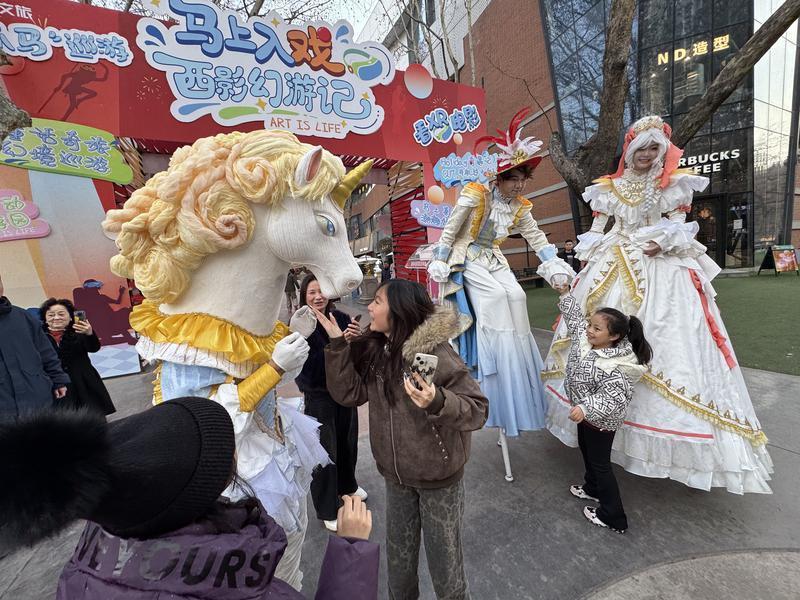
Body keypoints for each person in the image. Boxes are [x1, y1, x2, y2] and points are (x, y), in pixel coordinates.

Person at [543, 115, 774, 494]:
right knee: (591, 333)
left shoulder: (673, 184)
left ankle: (648, 437)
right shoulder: (609, 187)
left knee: (671, 340)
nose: (648, 155)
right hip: (612, 261)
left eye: (655, 149)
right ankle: (594, 414)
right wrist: (589, 254)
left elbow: (682, 226)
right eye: (642, 148)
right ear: (630, 149)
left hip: (657, 266)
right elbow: (600, 229)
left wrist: (663, 242)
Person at [0, 397, 380, 598]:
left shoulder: (84, 565)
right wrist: (350, 549)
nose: (234, 455)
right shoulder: (235, 582)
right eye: (225, 452)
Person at [313, 279, 488, 600]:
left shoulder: (436, 352)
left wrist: (438, 401)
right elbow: (348, 393)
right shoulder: (379, 350)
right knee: (399, 560)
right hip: (396, 477)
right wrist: (337, 345)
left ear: (399, 310)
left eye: (377, 301)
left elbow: (477, 410)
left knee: (445, 565)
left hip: (439, 479)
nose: (369, 307)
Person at [426, 107, 575, 480]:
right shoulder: (475, 196)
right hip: (468, 260)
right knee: (494, 301)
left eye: (524, 178)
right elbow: (450, 232)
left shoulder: (520, 207)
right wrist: (441, 261)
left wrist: (553, 264)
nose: (521, 185)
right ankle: (492, 365)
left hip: (493, 258)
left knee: (518, 298)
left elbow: (537, 237)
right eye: (515, 178)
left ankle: (515, 365)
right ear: (501, 177)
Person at [553, 282, 650, 534]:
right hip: (584, 416)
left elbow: (613, 397)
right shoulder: (586, 342)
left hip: (602, 421)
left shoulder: (619, 364)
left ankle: (613, 516)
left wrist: (586, 409)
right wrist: (565, 293)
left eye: (596, 328)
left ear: (614, 336)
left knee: (601, 464)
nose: (589, 331)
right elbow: (574, 319)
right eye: (590, 325)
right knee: (586, 451)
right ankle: (592, 488)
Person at [294, 273, 367, 532]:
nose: (318, 297)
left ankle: (348, 486)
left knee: (347, 444)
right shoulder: (300, 327)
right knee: (324, 453)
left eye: (321, 290)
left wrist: (356, 341)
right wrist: (336, 345)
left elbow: (356, 360)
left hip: (345, 393)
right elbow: (306, 374)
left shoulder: (343, 318)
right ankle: (326, 506)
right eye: (312, 292)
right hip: (319, 398)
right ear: (303, 296)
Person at [0, 274, 69, 419]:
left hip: (37, 397)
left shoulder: (22, 316)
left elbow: (45, 351)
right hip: (4, 406)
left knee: (45, 437)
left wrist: (58, 379)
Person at [39, 298, 116, 416]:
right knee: (65, 420)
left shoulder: (79, 331)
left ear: (70, 317)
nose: (56, 317)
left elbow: (93, 348)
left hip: (83, 381)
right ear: (45, 318)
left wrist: (89, 334)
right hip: (57, 384)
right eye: (51, 314)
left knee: (93, 416)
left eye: (61, 314)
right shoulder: (39, 336)